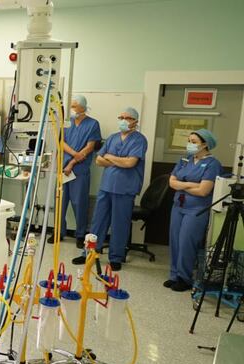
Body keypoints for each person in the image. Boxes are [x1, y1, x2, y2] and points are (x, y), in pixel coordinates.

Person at [72, 107, 148, 271]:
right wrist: (120, 160)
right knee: (97, 222)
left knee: (119, 223)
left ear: (135, 121)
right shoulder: (113, 138)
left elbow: (131, 163)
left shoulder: (139, 140)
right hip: (106, 186)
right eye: (120, 117)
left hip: (125, 188)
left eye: (127, 118)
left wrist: (111, 158)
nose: (123, 120)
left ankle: (116, 257)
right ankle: (89, 253)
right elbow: (99, 160)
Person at [165, 129, 222, 292]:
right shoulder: (184, 160)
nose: (190, 144)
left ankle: (185, 278)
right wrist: (192, 184)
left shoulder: (212, 164)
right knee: (175, 241)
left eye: (194, 142)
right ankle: (174, 275)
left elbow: (204, 191)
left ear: (205, 144)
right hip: (179, 206)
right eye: (189, 140)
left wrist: (182, 185)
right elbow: (172, 182)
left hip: (197, 209)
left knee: (186, 243)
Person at [49, 95, 102, 246]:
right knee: (60, 201)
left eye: (74, 106)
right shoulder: (67, 123)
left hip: (79, 170)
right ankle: (58, 232)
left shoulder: (93, 124)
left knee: (80, 203)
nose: (72, 109)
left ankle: (80, 234)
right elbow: (61, 141)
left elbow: (90, 146)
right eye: (71, 106)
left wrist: (72, 163)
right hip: (63, 167)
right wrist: (73, 154)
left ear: (83, 107)